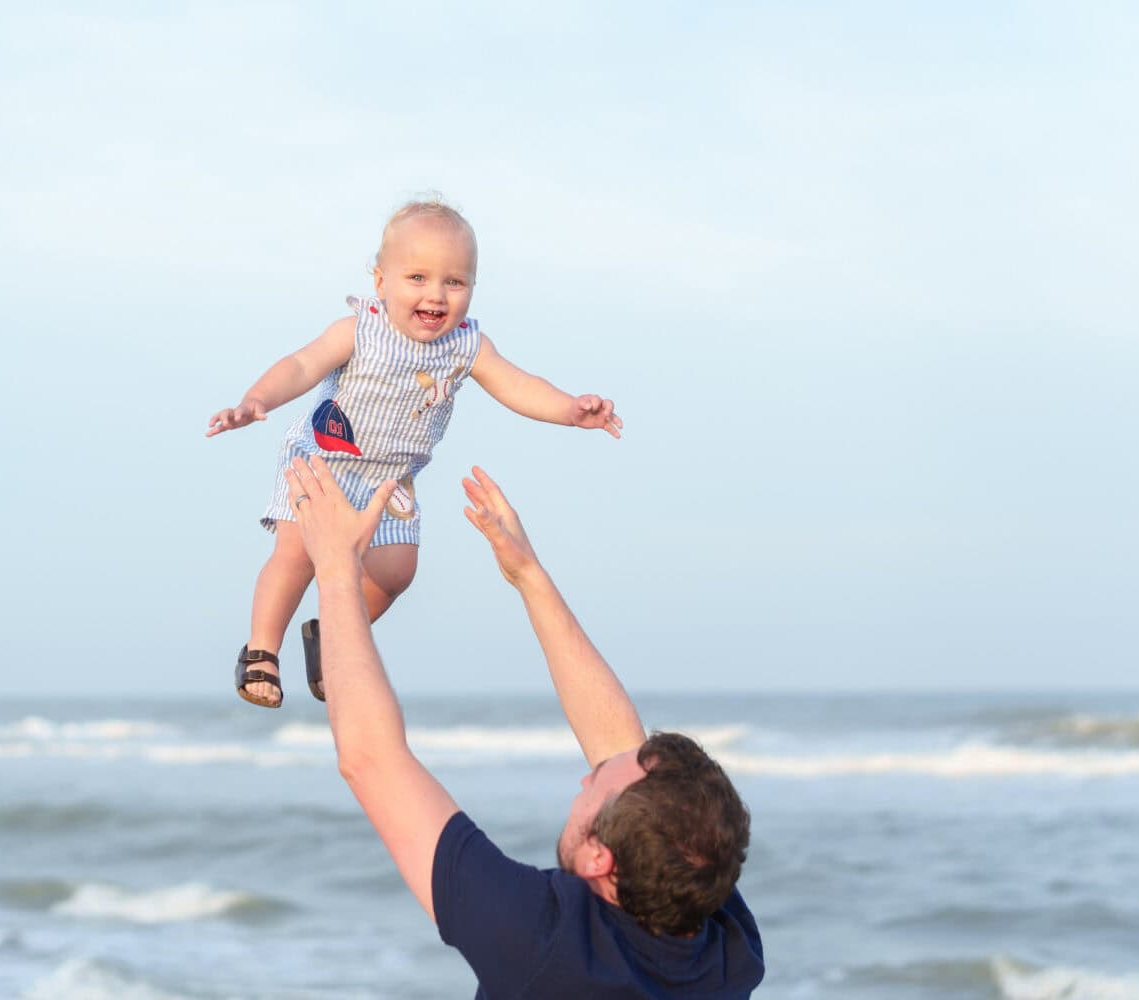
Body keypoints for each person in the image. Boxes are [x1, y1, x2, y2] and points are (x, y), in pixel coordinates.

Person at [287, 455, 764, 999]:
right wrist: (528, 575)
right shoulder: (722, 947)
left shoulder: (543, 944)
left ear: (598, 858)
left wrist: (336, 567)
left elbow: (371, 758)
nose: (586, 780)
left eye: (596, 786)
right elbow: (623, 754)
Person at [206, 198, 622, 708]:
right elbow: (301, 365)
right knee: (296, 556)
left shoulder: (468, 346)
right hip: (322, 461)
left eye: (455, 281)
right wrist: (255, 401)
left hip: (391, 481)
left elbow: (518, 385)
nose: (437, 295)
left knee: (397, 572)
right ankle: (261, 650)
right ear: (381, 282)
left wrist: (570, 410)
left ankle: (329, 635)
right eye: (418, 278)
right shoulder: (362, 328)